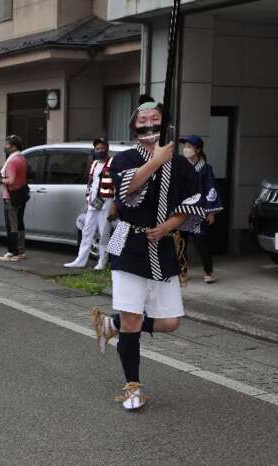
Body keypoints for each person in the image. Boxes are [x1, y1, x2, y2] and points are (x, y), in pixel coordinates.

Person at [90, 95, 205, 411]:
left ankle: (111, 324)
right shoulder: (123, 159)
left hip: (163, 247)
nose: (149, 125)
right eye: (142, 121)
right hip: (128, 244)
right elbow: (126, 190)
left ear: (163, 124)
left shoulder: (180, 164)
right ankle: (132, 387)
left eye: (154, 120)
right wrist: (157, 160)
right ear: (134, 127)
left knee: (169, 323)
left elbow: (192, 204)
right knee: (133, 318)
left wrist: (168, 226)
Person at [65, 137, 115, 270]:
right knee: (87, 231)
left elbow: (116, 184)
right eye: (97, 148)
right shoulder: (94, 164)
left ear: (107, 148)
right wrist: (88, 198)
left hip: (106, 201)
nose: (99, 150)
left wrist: (113, 203)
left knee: (104, 232)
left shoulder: (113, 163)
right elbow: (91, 182)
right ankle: (80, 260)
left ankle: (102, 262)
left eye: (102, 148)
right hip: (93, 202)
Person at [179, 135, 223, 283]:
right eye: (185, 146)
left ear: (198, 149)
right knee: (180, 242)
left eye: (189, 146)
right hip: (182, 210)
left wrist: (211, 212)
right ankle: (182, 271)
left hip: (199, 211)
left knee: (201, 241)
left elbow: (211, 189)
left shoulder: (205, 169)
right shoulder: (181, 165)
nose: (186, 149)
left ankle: (208, 271)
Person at [0, 134, 28, 262]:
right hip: (21, 194)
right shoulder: (21, 158)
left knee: (11, 225)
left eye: (7, 145)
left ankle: (13, 252)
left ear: (13, 147)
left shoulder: (12, 161)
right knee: (19, 223)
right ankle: (21, 251)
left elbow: (11, 180)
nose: (5, 147)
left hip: (11, 196)